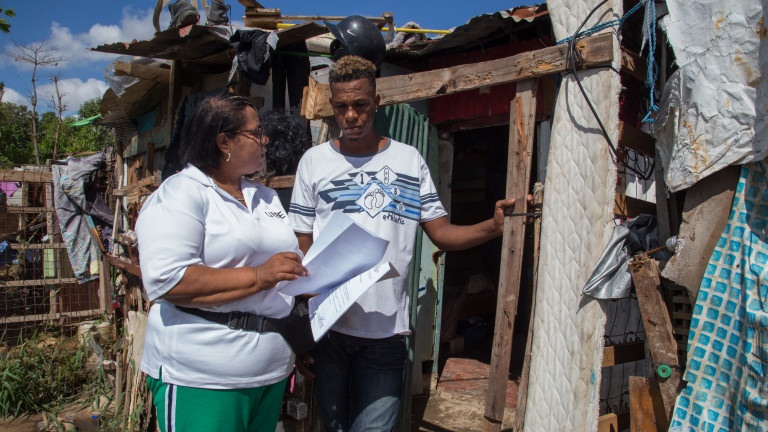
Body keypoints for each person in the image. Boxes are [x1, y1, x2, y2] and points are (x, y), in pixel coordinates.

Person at [288, 56, 522, 432]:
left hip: (386, 332)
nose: (350, 116)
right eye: (341, 106)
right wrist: (301, 332)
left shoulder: (408, 161)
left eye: (360, 105)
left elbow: (441, 233)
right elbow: (302, 249)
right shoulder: (314, 163)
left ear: (377, 101)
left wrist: (493, 227)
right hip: (329, 332)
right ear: (332, 105)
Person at [135, 93, 308, 432]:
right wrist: (258, 276)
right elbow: (168, 279)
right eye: (255, 133)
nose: (265, 140)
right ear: (224, 142)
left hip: (268, 373)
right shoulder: (181, 194)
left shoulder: (265, 196)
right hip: (202, 377)